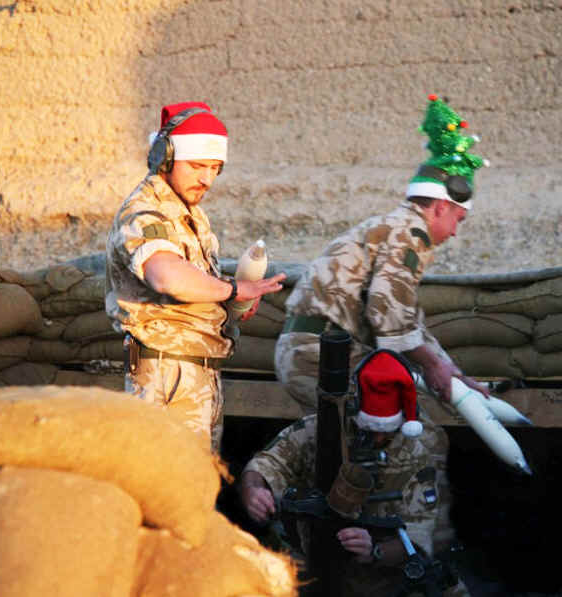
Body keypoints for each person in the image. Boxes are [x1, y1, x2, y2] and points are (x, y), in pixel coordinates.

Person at [273, 94, 491, 551]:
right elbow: (387, 314)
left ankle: (362, 547)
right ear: (439, 207)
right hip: (321, 355)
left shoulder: (394, 230)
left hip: (321, 353)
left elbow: (409, 323)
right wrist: (433, 368)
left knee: (359, 447)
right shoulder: (409, 233)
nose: (456, 230)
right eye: (458, 217)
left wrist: (454, 375)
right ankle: (416, 553)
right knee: (418, 439)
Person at [105, 101, 285, 451]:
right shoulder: (145, 213)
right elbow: (166, 277)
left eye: (215, 168)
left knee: (201, 478)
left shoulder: (190, 215)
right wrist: (232, 289)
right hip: (168, 375)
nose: (207, 179)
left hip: (196, 374)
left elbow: (196, 287)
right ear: (165, 157)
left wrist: (230, 305)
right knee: (170, 478)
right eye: (197, 165)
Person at [239, 349, 470, 597]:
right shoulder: (320, 430)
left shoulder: (419, 451)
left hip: (383, 576)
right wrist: (255, 490)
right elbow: (267, 463)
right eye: (369, 430)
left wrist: (374, 551)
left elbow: (419, 537)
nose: (378, 439)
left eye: (386, 433)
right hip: (310, 561)